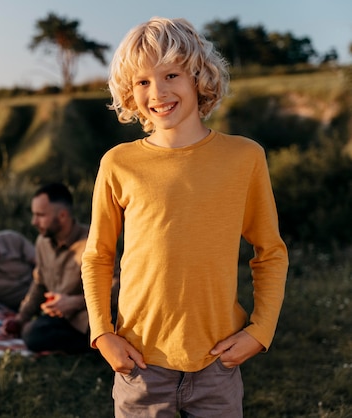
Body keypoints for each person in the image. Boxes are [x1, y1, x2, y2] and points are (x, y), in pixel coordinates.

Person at [80, 17, 289, 417]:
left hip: (217, 363)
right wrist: (102, 332)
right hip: (139, 364)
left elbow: (270, 251)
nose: (157, 92)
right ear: (129, 91)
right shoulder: (118, 164)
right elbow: (98, 256)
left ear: (198, 76)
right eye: (142, 82)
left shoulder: (245, 158)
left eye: (171, 74)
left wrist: (261, 332)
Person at [3, 183, 90, 354]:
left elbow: (115, 290)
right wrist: (21, 318)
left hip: (88, 319)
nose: (34, 222)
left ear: (63, 216)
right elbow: (39, 283)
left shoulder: (92, 242)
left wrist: (74, 302)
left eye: (40, 215)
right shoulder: (42, 242)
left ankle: (96, 346)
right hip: (60, 320)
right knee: (32, 333)